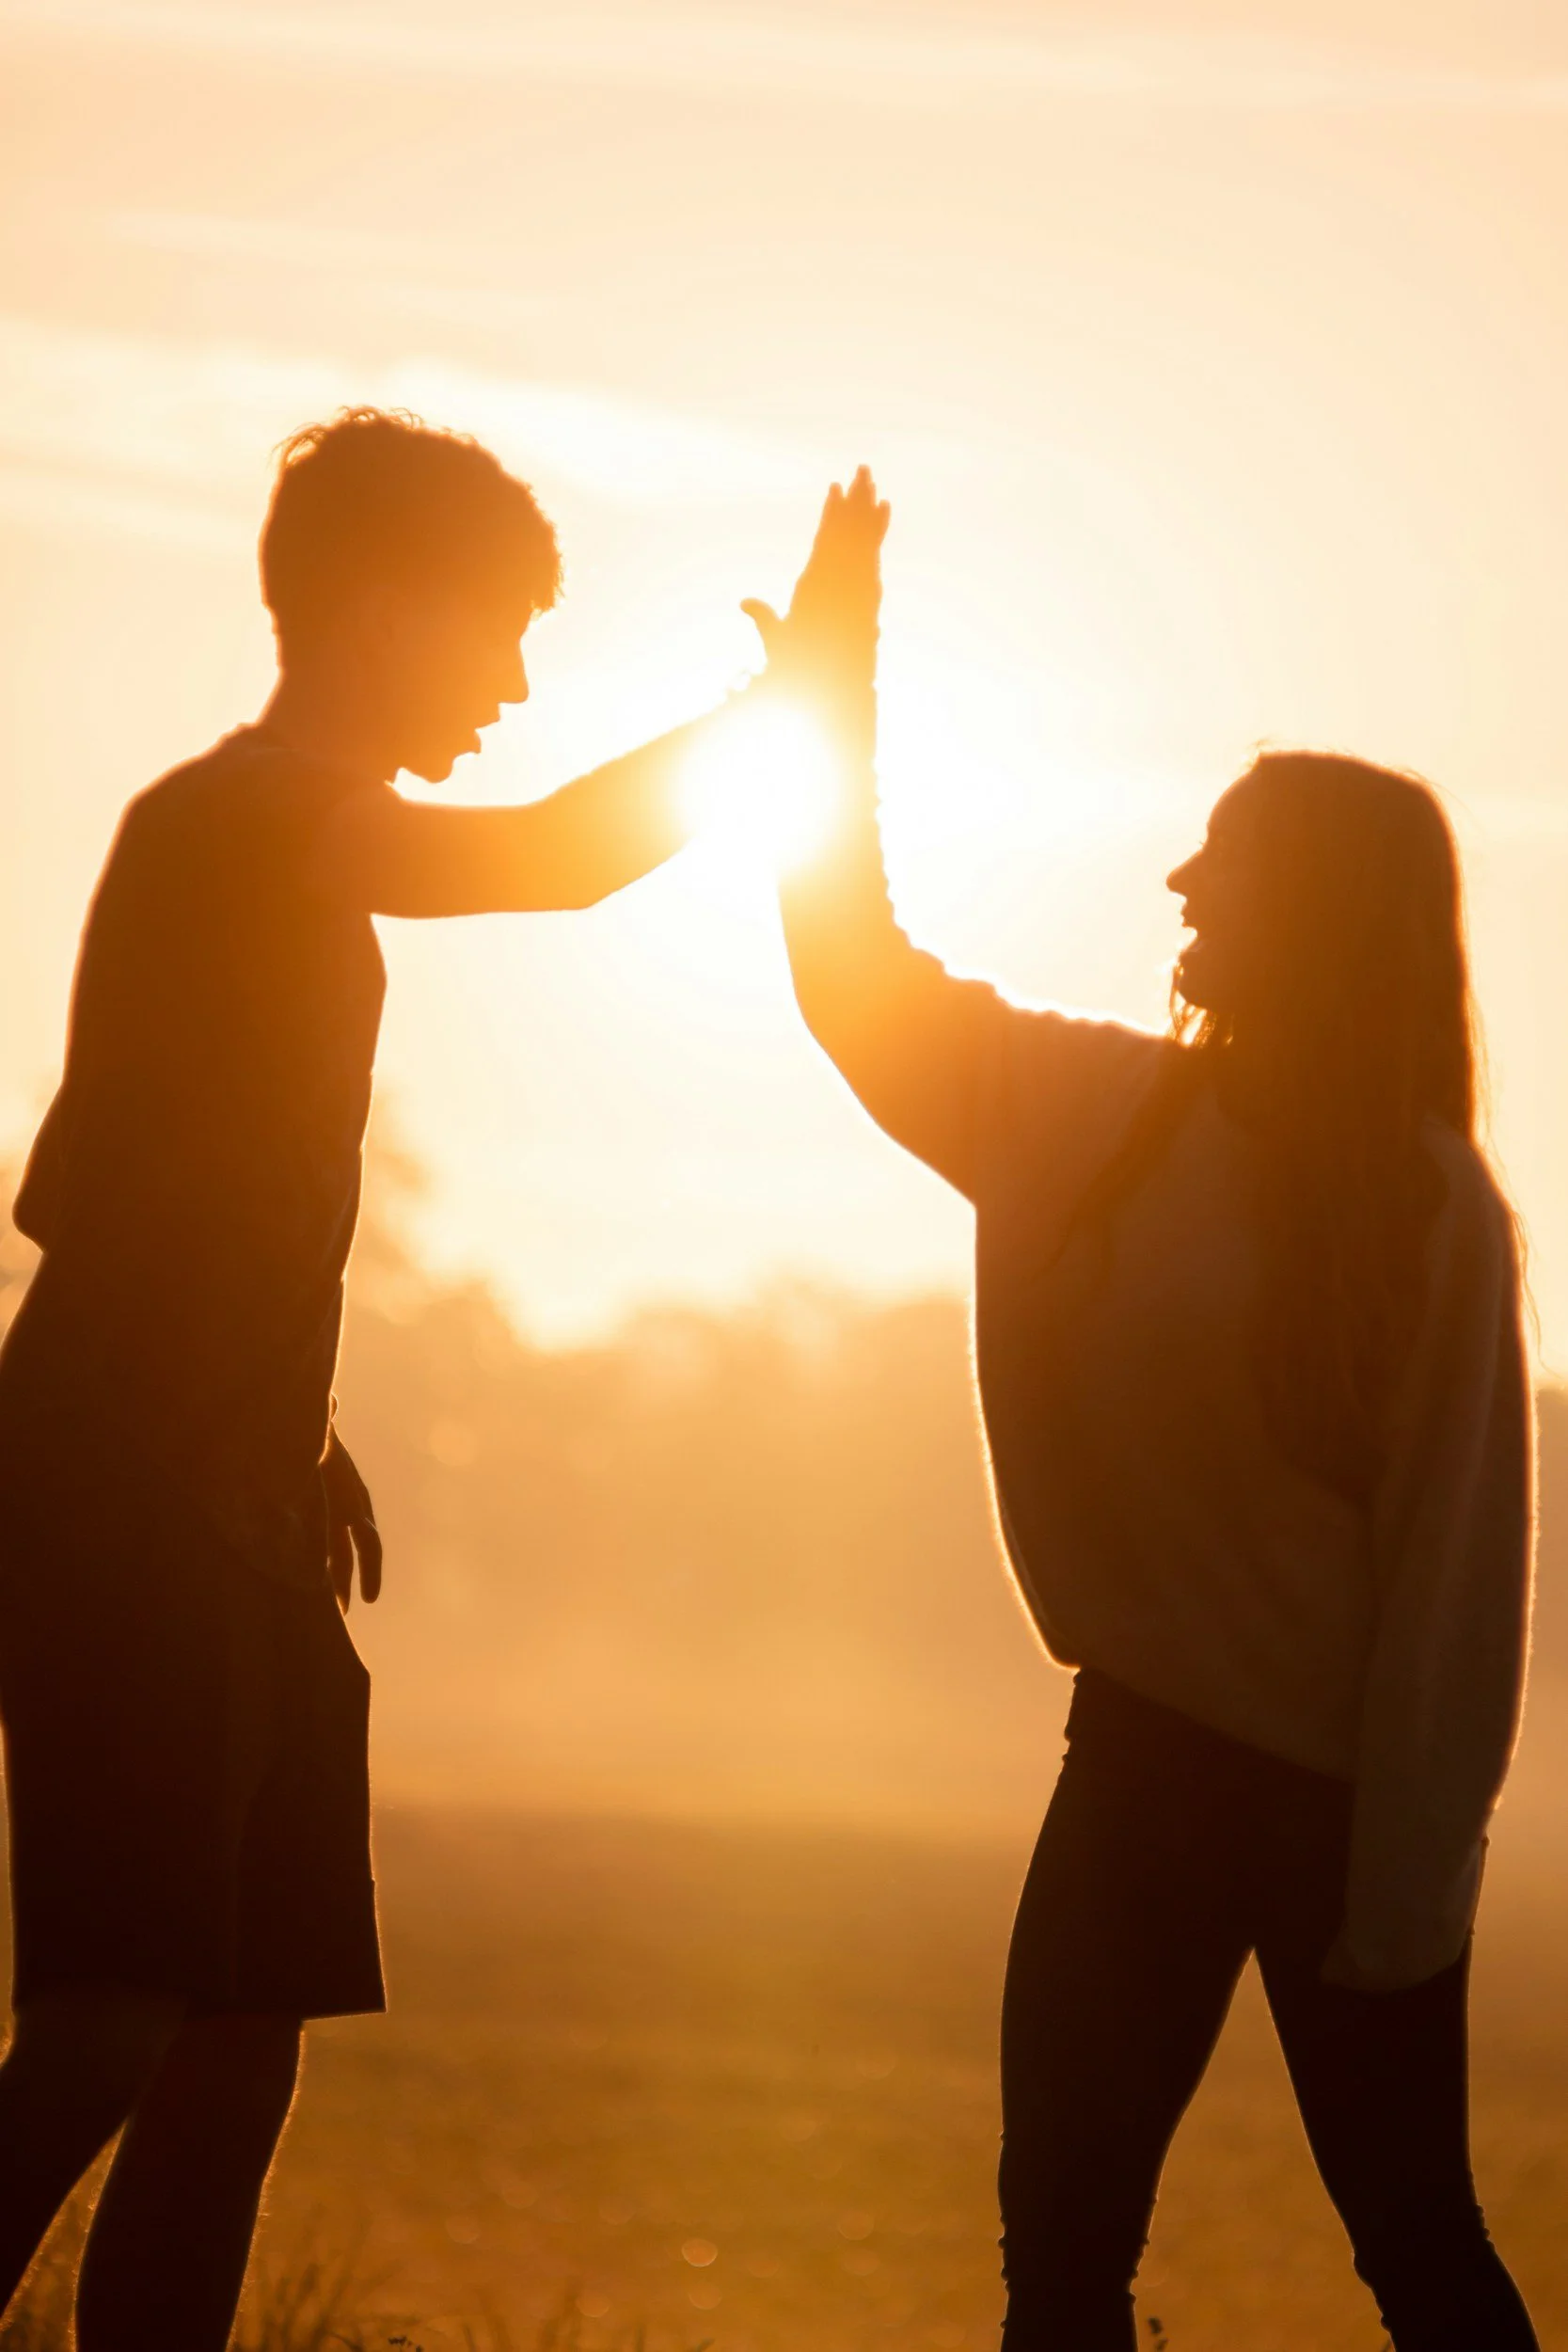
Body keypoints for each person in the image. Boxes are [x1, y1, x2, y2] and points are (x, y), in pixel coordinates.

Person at [0, 406, 760, 2350]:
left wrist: (297, 1424)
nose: (512, 678)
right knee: (102, 2023)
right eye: (495, 625)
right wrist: (790, 709)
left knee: (235, 2055)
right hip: (134, 1517)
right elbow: (549, 863)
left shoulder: (256, 850)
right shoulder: (239, 818)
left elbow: (91, 1176)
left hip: (236, 1521)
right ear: (370, 602)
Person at [752, 470, 1538, 2350]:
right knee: (1061, 2265)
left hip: (1343, 1819)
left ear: (1324, 913)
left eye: (1221, 857)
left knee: (1414, 2246)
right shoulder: (1080, 1115)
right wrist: (825, 679)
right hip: (1132, 1777)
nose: (1177, 882)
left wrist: (1406, 1889)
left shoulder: (1432, 1212)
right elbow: (847, 964)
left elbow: (1455, 1588)